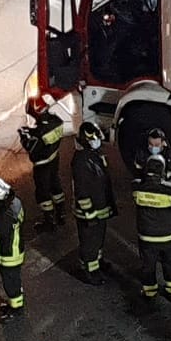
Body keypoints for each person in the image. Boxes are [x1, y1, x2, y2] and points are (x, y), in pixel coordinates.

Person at [131, 140, 171, 300]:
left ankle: (150, 291)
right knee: (170, 264)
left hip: (146, 236)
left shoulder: (137, 187)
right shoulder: (170, 189)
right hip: (168, 236)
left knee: (148, 265)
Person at [71, 119, 115, 284]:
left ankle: (98, 261)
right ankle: (90, 271)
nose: (97, 141)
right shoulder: (81, 162)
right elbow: (82, 191)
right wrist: (89, 213)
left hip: (100, 208)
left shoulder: (93, 155)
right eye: (94, 139)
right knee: (89, 242)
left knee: (98, 239)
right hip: (89, 213)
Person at [19, 99, 67, 227]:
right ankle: (61, 214)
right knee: (55, 185)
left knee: (43, 192)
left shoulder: (40, 132)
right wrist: (32, 131)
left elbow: (32, 147)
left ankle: (49, 221)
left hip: (42, 165)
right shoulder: (56, 121)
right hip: (54, 159)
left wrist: (24, 137)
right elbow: (45, 133)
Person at [0, 176, 26, 319]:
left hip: (9, 255)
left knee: (10, 284)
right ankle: (16, 300)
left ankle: (16, 308)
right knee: (15, 280)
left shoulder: (4, 216)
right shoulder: (16, 202)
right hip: (17, 249)